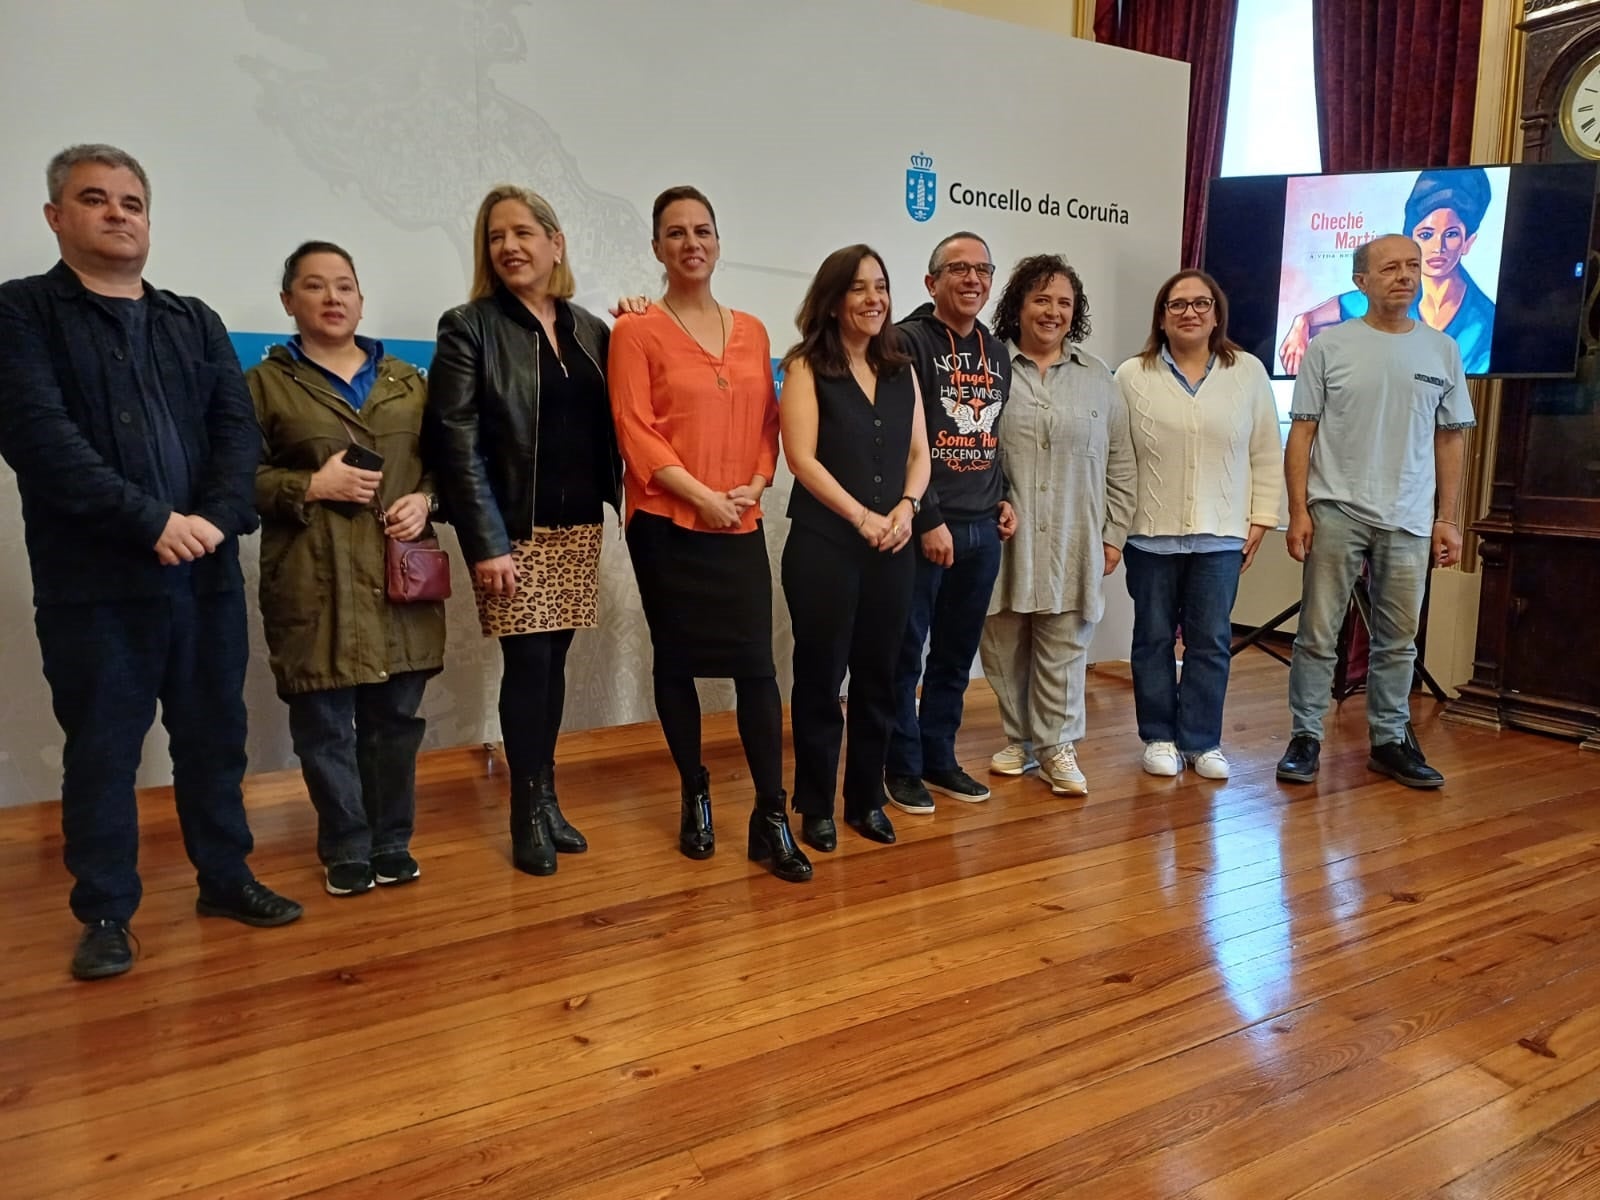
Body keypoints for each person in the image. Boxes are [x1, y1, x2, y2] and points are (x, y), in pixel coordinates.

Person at [0, 144, 302, 981]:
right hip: (95, 588)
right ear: (56, 216)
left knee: (215, 740)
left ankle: (226, 878)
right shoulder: (20, 313)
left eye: (131, 202)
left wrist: (209, 520)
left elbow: (236, 433)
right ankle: (104, 912)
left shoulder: (192, 319)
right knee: (103, 754)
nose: (117, 214)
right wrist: (149, 523)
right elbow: (40, 440)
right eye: (94, 199)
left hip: (204, 575)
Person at [608, 185, 810, 883]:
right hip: (666, 524)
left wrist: (755, 483)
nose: (690, 243)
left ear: (719, 242)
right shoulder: (635, 329)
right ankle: (694, 792)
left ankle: (770, 814)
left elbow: (767, 424)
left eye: (702, 230)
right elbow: (635, 431)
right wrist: (701, 497)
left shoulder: (753, 329)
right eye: (675, 233)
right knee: (676, 662)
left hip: (740, 518)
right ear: (657, 248)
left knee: (757, 668)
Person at [428, 186, 622, 878]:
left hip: (578, 525)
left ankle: (546, 798)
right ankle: (524, 812)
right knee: (528, 664)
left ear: (554, 243)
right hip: (513, 529)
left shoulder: (590, 329)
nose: (509, 246)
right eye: (495, 236)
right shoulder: (469, 326)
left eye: (522, 233)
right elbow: (455, 440)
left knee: (553, 663)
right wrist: (485, 542)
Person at [248, 241, 444, 896]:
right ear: (288, 301)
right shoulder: (263, 385)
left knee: (396, 722)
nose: (332, 297)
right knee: (325, 725)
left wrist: (426, 500)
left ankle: (392, 841)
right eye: (314, 285)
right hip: (315, 579)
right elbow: (232, 481)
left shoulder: (408, 383)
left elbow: (448, 464)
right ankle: (346, 844)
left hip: (397, 578)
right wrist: (310, 485)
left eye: (344, 286)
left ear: (361, 299)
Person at [1276, 234, 1475, 788]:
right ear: (1360, 282)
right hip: (1337, 509)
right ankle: (1305, 737)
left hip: (1410, 518)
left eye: (1412, 266)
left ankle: (1389, 741)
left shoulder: (1442, 349)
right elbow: (1302, 434)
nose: (1405, 276)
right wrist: (1299, 510)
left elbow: (1451, 438)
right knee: (1318, 633)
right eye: (1390, 268)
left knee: (1398, 640)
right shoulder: (1328, 346)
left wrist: (1447, 517)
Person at [779, 245, 931, 851]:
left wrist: (907, 508)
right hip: (825, 549)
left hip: (893, 547)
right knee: (821, 678)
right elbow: (801, 459)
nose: (874, 299)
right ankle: (814, 804)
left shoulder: (900, 368)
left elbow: (920, 454)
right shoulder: (805, 366)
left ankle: (866, 799)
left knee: (882, 676)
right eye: (859, 288)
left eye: (881, 286)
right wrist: (861, 517)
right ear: (834, 299)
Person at [1114, 270, 1283, 781]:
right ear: (1162, 317)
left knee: (1210, 641)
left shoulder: (1247, 372)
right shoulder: (1132, 375)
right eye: (1178, 304)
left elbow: (1265, 449)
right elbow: (1119, 458)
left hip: (1221, 535)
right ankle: (1159, 737)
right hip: (1149, 535)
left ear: (1216, 315)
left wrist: (1262, 518)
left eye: (1201, 303)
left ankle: (1202, 741)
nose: (1190, 312)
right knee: (1153, 639)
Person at [980, 255, 1135, 795]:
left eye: (1064, 303)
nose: (1052, 312)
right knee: (1002, 643)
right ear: (1018, 306)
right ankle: (1020, 739)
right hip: (1002, 535)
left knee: (1064, 645)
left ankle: (1058, 746)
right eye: (1041, 300)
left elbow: (1121, 462)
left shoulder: (1099, 379)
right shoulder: (989, 366)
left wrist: (1114, 533)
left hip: (1075, 535)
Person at [885, 231, 1016, 815]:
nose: (972, 279)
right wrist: (928, 517)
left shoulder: (997, 350)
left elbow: (990, 435)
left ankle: (938, 756)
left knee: (955, 657)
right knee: (904, 654)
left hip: (982, 531)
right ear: (931, 281)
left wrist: (1002, 497)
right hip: (924, 527)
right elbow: (899, 441)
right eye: (958, 269)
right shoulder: (905, 342)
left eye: (982, 270)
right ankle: (901, 765)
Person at [1279, 167, 1495, 375]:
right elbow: (1330, 311)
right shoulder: (1394, 294)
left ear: (1468, 242)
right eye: (1426, 235)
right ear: (1409, 240)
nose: (1438, 247)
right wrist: (1300, 326)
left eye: (1451, 234)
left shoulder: (1485, 324)